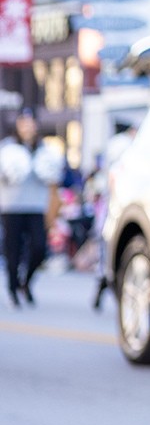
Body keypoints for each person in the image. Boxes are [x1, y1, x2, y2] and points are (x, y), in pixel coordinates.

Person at [1, 111, 65, 307]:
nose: (28, 127)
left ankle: (25, 282)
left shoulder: (45, 150)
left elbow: (56, 179)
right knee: (13, 251)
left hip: (36, 206)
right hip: (12, 207)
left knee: (39, 248)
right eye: (24, 123)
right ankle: (12, 289)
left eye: (31, 123)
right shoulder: (8, 149)